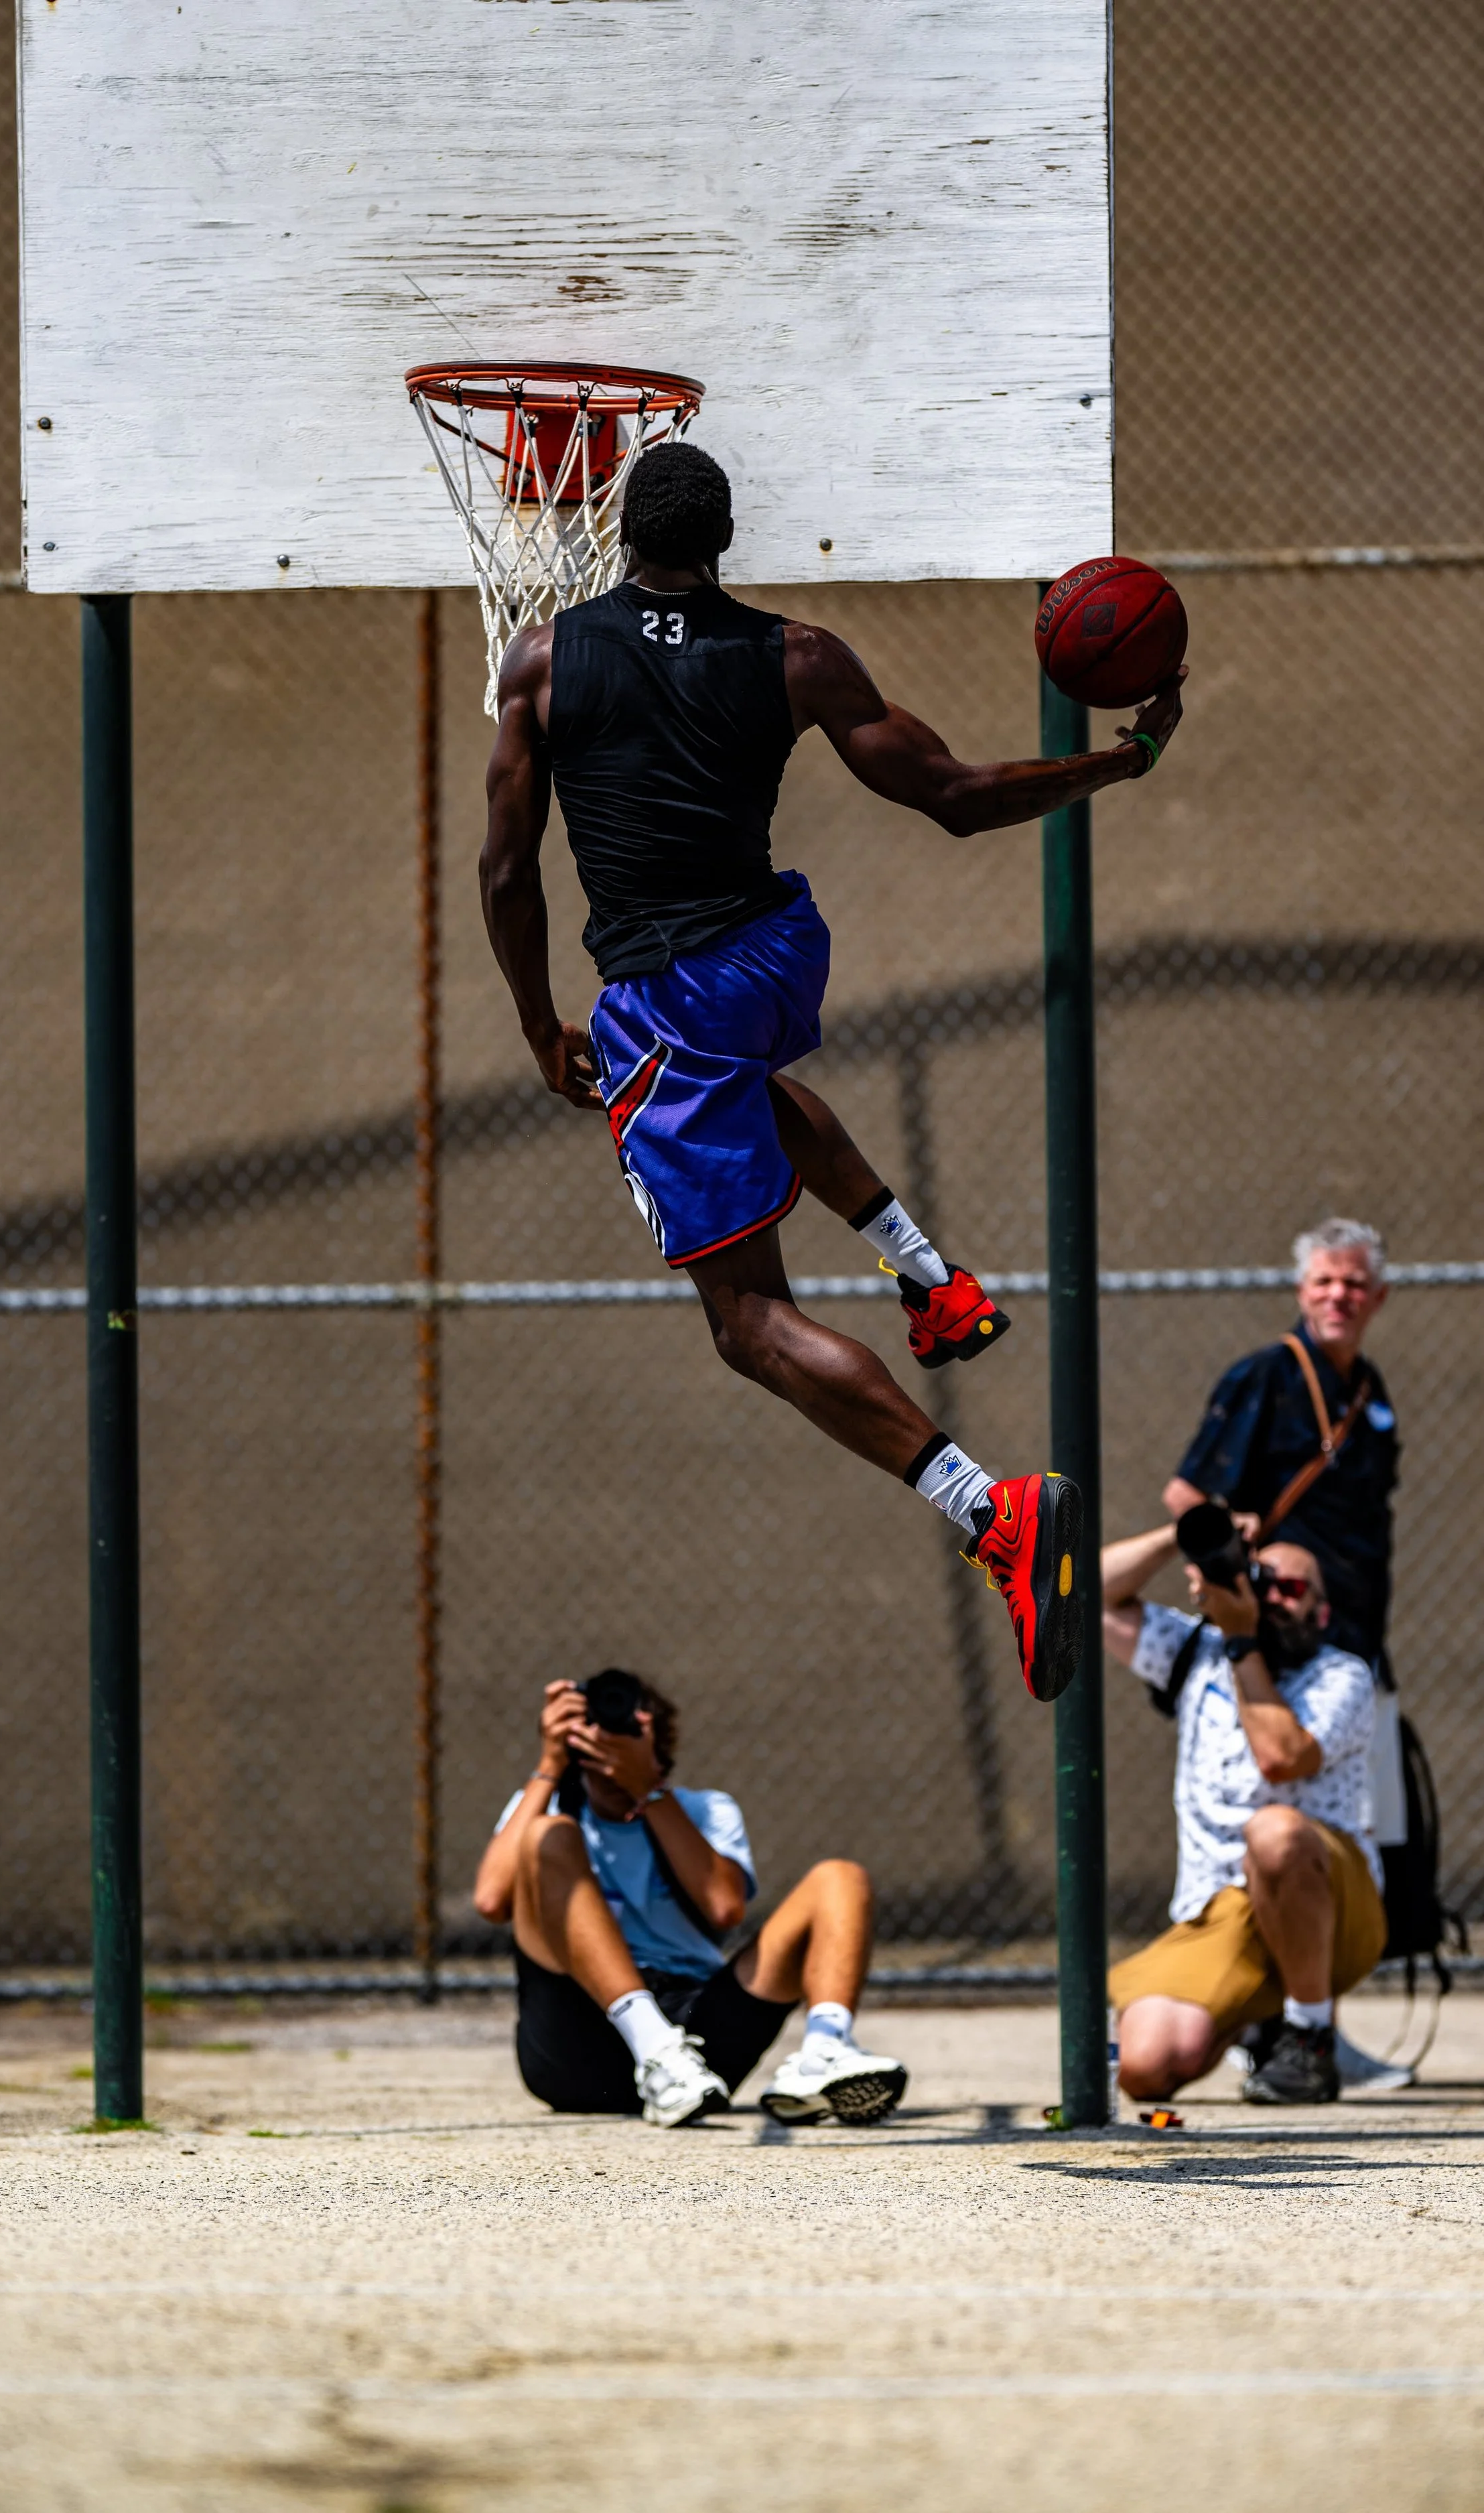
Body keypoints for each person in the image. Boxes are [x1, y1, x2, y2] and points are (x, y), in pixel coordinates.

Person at [480, 441, 1186, 1704]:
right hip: (773, 952)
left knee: (747, 1326)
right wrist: (1117, 761)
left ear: (617, 535)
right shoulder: (798, 656)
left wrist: (541, 1027)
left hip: (663, 992)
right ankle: (933, 1278)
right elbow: (957, 795)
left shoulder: (542, 661)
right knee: (744, 1095)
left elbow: (503, 873)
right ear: (725, 539)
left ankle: (991, 1512)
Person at [473, 1668, 909, 2130]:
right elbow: (492, 1900)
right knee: (547, 1836)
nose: (607, 1744)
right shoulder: (544, 1805)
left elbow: (723, 1907)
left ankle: (825, 2052)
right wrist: (550, 1765)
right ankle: (653, 2047)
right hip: (577, 2045)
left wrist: (648, 1789)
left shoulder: (706, 1810)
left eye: (626, 1731)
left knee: (840, 1878)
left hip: (698, 2048)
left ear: (657, 1743)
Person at [1101, 1521, 1385, 2106]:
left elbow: (1282, 1759)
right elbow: (1081, 1595)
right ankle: (1256, 2020)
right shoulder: (1195, 1655)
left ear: (1321, 1612)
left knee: (1275, 1831)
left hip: (1333, 1906)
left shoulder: (1342, 1674)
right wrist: (1186, 1539)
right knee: (1146, 2067)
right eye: (1265, 1581)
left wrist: (1241, 1641)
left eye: (1293, 1589)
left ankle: (1310, 2038)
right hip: (1220, 1906)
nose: (1276, 1597)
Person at [1164, 1220, 1398, 1671]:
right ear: (1300, 1291)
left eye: (1353, 1284)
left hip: (1359, 1634)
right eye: (1323, 1281)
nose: (1337, 1296)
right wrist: (1232, 1548)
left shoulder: (1370, 1388)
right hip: (1285, 1638)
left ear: (1378, 1297)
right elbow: (1185, 1495)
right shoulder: (1265, 1376)